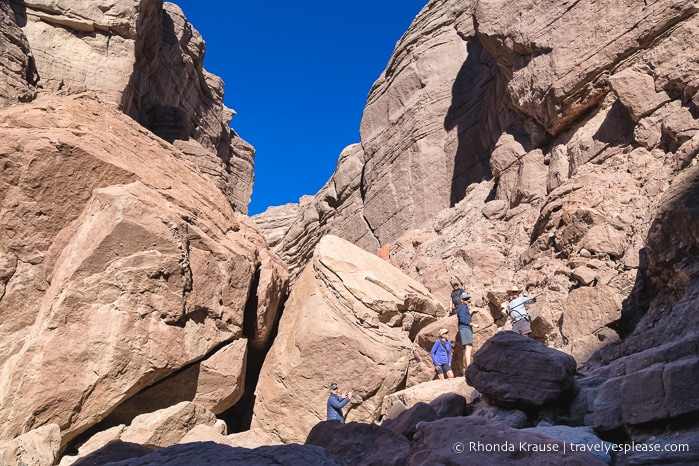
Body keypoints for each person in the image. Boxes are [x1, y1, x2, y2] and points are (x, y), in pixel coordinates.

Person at [456, 292, 479, 372]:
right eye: (465, 299)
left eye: (467, 299)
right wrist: (473, 325)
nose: (467, 300)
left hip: (464, 328)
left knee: (467, 348)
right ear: (462, 300)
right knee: (468, 347)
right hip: (465, 328)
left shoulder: (463, 307)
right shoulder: (463, 307)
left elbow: (465, 316)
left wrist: (472, 311)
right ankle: (468, 367)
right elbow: (462, 319)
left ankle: (466, 367)